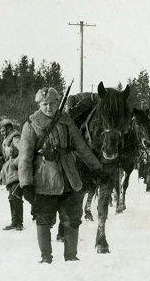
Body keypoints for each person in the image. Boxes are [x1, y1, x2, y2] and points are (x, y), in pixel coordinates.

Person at [19, 87, 102, 263]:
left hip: (69, 177)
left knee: (73, 218)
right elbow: (25, 158)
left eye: (52, 103)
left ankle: (71, 257)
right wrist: (26, 184)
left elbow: (81, 147)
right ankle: (46, 258)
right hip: (44, 180)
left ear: (58, 103)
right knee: (43, 219)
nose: (49, 107)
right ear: (39, 105)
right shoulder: (31, 125)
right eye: (45, 104)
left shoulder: (66, 122)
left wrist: (96, 168)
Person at [0, 119, 23, 231]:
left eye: (3, 131)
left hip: (16, 171)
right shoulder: (6, 141)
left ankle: (19, 223)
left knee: (15, 196)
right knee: (12, 197)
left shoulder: (15, 138)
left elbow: (24, 150)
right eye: (1, 132)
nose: (2, 133)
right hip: (9, 172)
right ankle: (14, 222)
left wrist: (14, 163)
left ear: (9, 128)